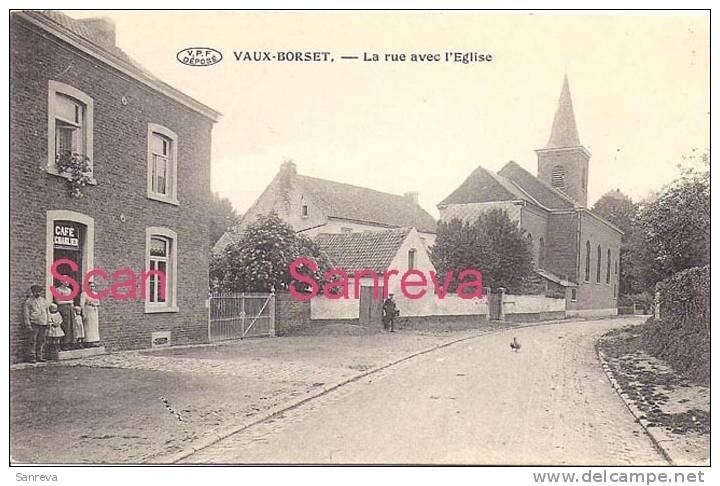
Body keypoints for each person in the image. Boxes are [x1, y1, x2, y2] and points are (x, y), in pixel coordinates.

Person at [22, 285, 49, 363]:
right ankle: (32, 356)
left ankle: (39, 355)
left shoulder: (44, 300)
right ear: (33, 292)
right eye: (35, 292)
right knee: (32, 340)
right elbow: (26, 313)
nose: (37, 293)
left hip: (43, 322)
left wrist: (48, 321)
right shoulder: (29, 301)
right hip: (34, 322)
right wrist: (28, 324)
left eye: (39, 291)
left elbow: (47, 311)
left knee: (41, 340)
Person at [54, 281, 75, 351]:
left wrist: (72, 307)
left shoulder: (69, 290)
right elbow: (58, 301)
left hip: (70, 309)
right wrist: (68, 301)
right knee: (65, 325)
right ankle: (63, 343)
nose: (67, 282)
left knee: (71, 326)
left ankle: (70, 342)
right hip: (63, 309)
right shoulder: (58, 290)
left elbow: (72, 301)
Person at [82, 281, 101, 347]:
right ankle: (88, 341)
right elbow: (82, 304)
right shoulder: (84, 294)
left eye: (93, 286)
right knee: (88, 325)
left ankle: (94, 340)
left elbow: (98, 302)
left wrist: (94, 304)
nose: (92, 288)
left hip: (94, 310)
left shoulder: (95, 294)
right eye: (90, 286)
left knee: (94, 325)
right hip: (88, 310)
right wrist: (83, 312)